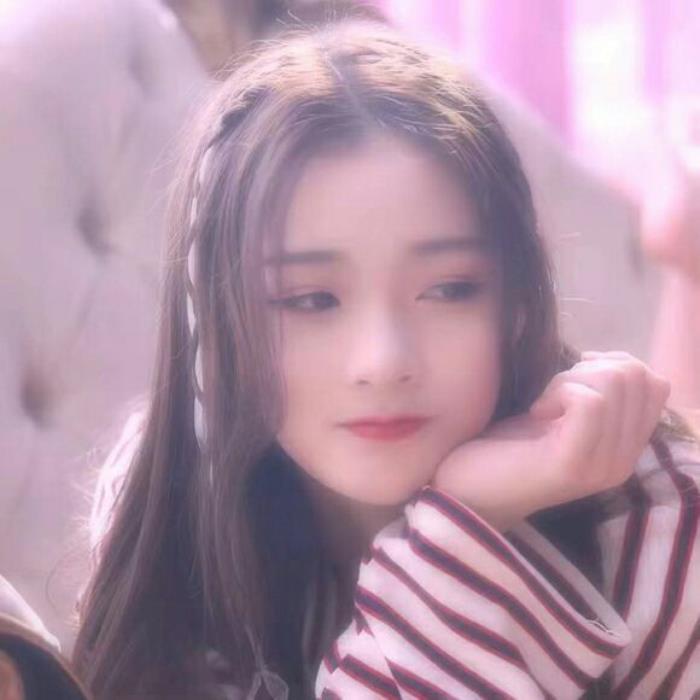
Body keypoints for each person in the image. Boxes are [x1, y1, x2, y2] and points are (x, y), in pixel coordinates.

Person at [73, 21, 700, 699]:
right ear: (219, 323)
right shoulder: (168, 502)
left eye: (449, 290)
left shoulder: (657, 529)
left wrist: (464, 531)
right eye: (311, 300)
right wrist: (468, 519)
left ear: (517, 302)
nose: (383, 360)